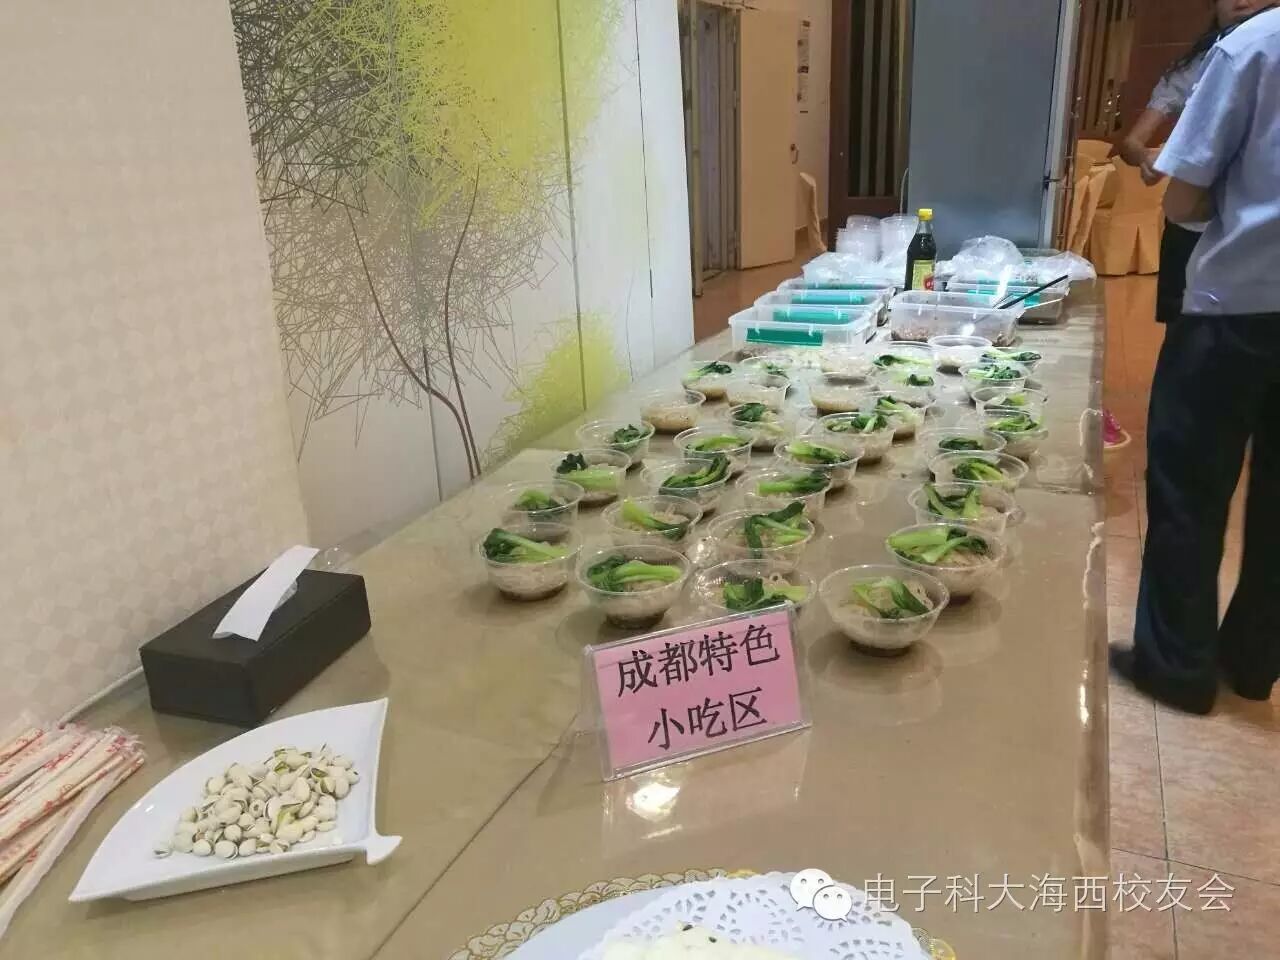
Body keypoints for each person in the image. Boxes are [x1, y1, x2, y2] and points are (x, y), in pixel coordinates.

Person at [1112, 6, 1280, 714]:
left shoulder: (1254, 47)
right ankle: (1254, 660)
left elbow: (1182, 197)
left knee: (1189, 483)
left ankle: (1177, 666)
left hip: (1239, 303)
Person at [1117, 0, 1276, 325]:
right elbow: (1133, 144)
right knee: (1182, 327)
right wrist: (1154, 157)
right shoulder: (1202, 63)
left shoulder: (1255, 49)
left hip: (1245, 238)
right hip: (1196, 228)